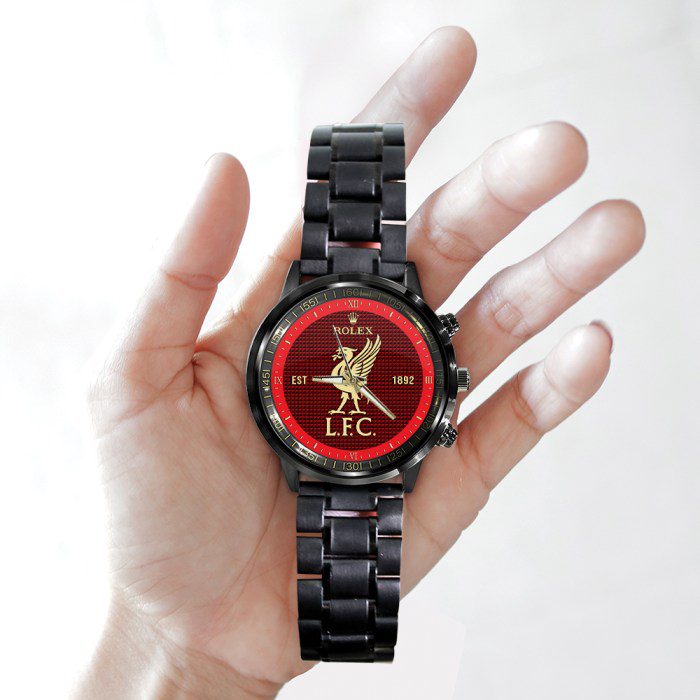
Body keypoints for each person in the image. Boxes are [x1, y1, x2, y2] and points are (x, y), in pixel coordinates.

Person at [74, 26, 645, 698]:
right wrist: (178, 650)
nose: (349, 356)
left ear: (446, 381)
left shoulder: (349, 366)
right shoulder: (320, 372)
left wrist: (183, 659)